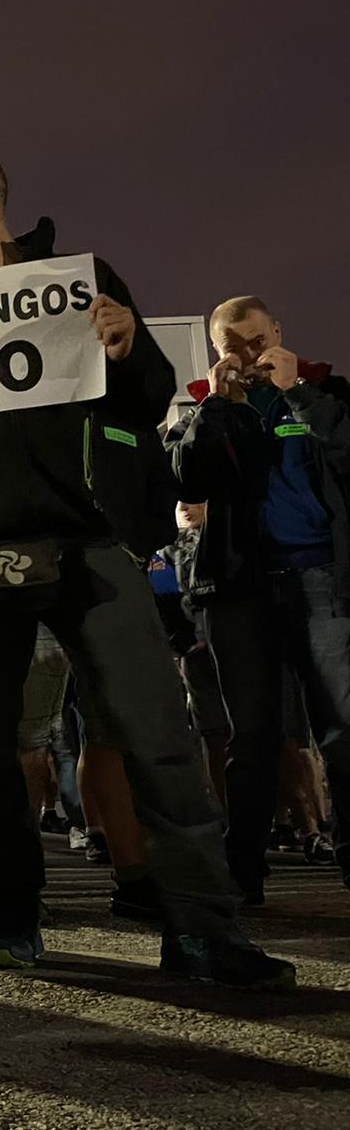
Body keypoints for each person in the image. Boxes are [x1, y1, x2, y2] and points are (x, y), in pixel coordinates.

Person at [0, 149, 293, 987]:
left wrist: (128, 349)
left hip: (92, 545)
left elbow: (146, 395)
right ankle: (14, 919)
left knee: (159, 736)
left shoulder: (84, 278)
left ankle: (202, 928)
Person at [167, 294, 350, 901]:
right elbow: (185, 475)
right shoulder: (205, 406)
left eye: (254, 340)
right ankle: (243, 872)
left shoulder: (327, 391)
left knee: (339, 728)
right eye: (231, 347)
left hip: (320, 576)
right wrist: (219, 405)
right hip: (241, 589)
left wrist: (300, 393)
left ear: (277, 329)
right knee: (251, 736)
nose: (247, 356)